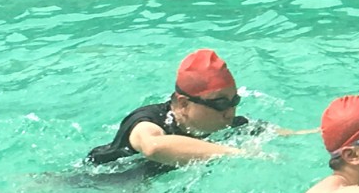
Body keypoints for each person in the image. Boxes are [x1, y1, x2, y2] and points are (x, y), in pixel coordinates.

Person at [87, 49, 264, 169]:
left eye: (235, 101)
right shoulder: (147, 121)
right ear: (184, 103)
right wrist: (237, 153)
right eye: (220, 104)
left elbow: (275, 133)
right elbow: (153, 147)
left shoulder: (228, 126)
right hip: (96, 185)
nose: (230, 112)